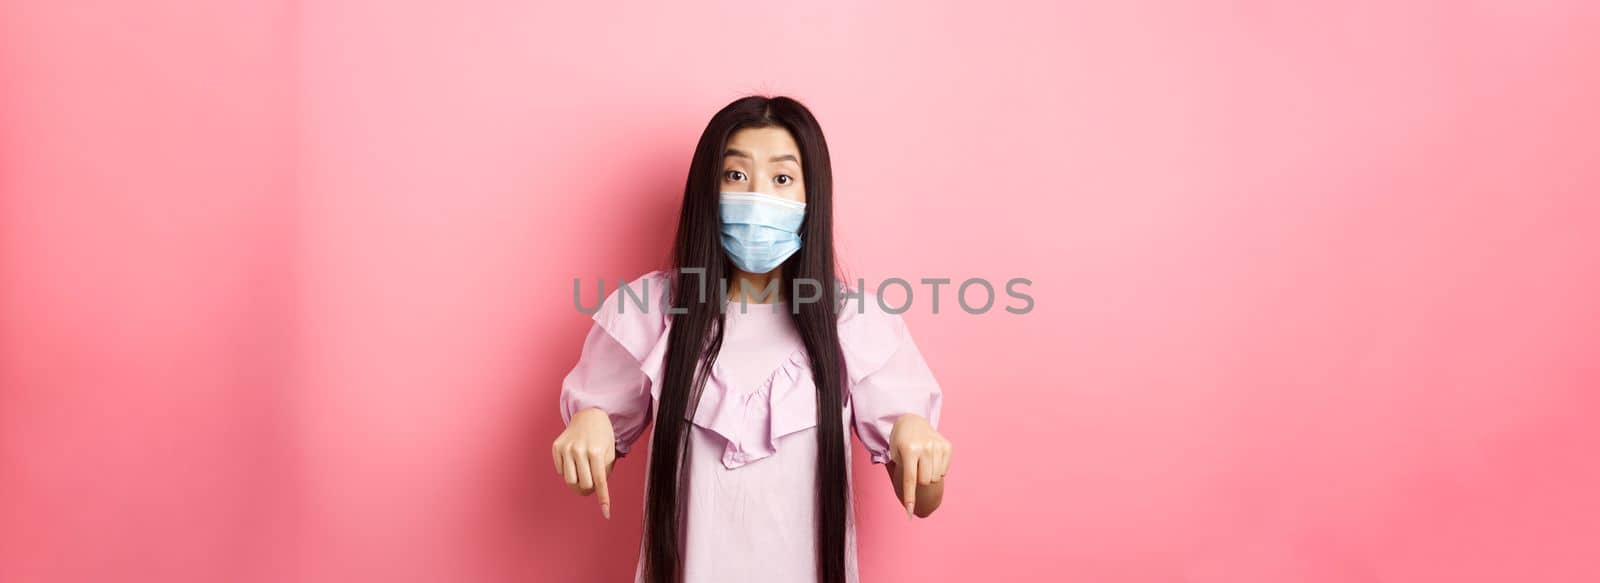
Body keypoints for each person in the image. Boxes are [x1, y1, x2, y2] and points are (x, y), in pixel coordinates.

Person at [552, 95, 950, 583]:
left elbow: (924, 503)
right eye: (736, 176)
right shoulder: (649, 311)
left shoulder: (856, 322)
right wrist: (589, 423)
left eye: (782, 179)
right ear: (707, 189)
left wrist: (919, 440)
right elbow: (584, 482)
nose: (758, 197)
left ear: (811, 198)